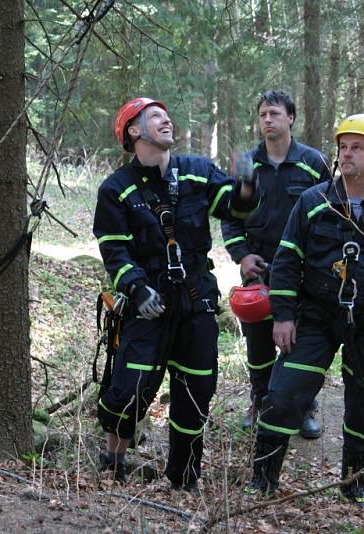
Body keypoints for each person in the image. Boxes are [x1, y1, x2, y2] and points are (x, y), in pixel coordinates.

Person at [250, 114, 364, 506]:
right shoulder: (314, 201)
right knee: (283, 395)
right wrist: (283, 314)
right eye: (343, 147)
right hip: (315, 315)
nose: (347, 154)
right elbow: (287, 260)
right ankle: (262, 479)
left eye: (357, 148)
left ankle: (355, 484)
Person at [92, 97, 259, 490]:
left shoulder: (197, 172)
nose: (166, 120)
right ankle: (112, 460)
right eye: (154, 117)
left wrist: (249, 183)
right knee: (129, 388)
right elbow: (113, 249)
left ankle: (184, 478)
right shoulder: (115, 189)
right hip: (145, 306)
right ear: (134, 131)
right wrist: (136, 287)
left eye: (166, 115)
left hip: (195, 301)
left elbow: (235, 207)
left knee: (196, 389)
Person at [222, 90, 331, 438]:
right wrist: (242, 255)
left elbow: (330, 216)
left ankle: (302, 408)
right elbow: (231, 215)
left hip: (303, 270)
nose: (267, 120)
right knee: (258, 342)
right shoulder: (245, 163)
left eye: (274, 113)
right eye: (262, 114)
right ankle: (260, 402)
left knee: (300, 342)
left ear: (291, 118)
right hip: (259, 266)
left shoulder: (315, 163)